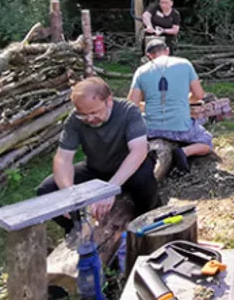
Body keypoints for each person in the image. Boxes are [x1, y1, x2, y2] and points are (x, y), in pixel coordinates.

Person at [36, 77, 159, 232]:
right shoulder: (74, 119)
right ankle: (76, 230)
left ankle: (144, 220)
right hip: (97, 168)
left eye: (94, 112)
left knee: (144, 182)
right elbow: (63, 159)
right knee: (47, 190)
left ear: (109, 100)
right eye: (83, 114)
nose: (89, 119)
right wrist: (69, 193)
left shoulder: (129, 111)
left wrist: (110, 189)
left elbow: (138, 151)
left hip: (131, 167)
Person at [127, 39, 213, 174]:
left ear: (148, 56)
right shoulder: (185, 64)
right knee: (207, 143)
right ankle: (184, 152)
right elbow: (199, 95)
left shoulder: (141, 71)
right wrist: (184, 100)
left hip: (151, 129)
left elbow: (132, 105)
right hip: (181, 128)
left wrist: (147, 106)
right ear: (167, 50)